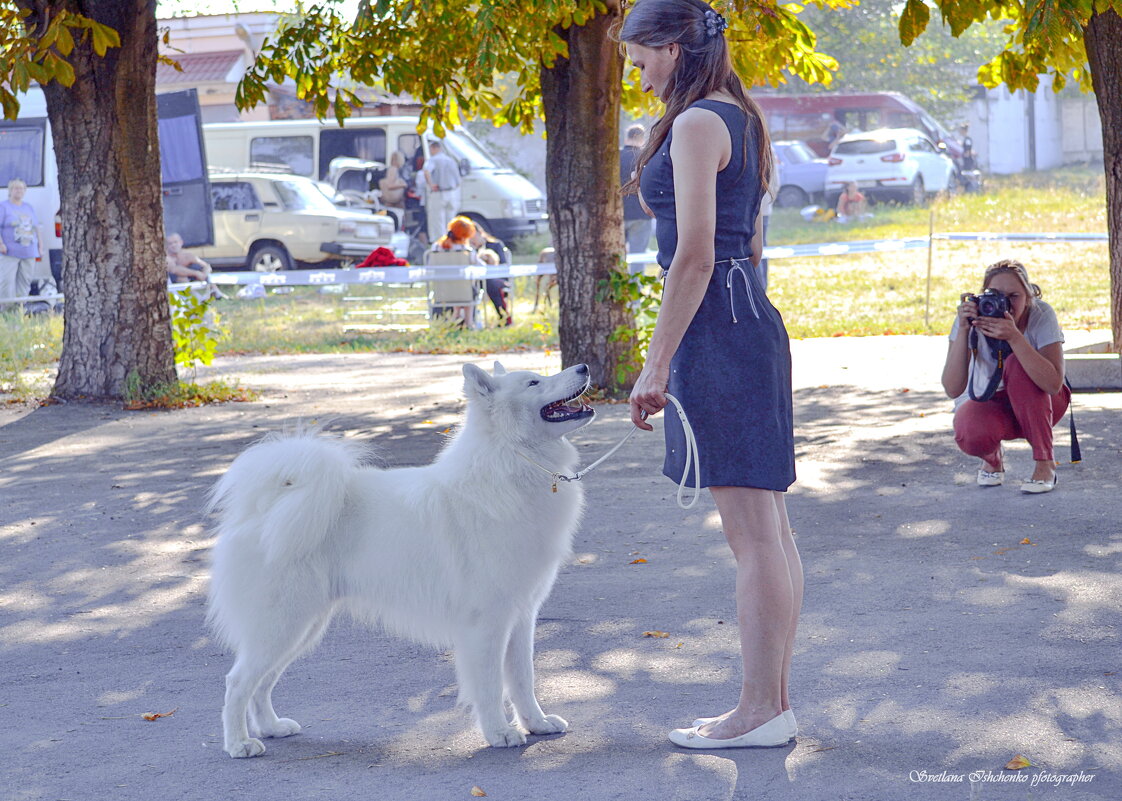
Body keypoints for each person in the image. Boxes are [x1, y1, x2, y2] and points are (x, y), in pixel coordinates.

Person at [617, 0, 801, 749]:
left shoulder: (697, 123)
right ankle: (771, 705)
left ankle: (760, 710)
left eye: (640, 61)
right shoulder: (741, 115)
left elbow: (694, 255)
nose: (637, 77)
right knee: (768, 530)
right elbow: (748, 244)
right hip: (744, 315)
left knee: (754, 535)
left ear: (671, 47)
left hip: (720, 327)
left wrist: (655, 364)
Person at [941, 259, 1068, 494]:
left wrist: (1015, 338)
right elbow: (952, 388)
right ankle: (992, 458)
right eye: (995, 295)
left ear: (1028, 296)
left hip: (1042, 403)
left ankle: (1045, 463)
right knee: (968, 429)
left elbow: (1053, 384)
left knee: (1016, 363)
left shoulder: (1040, 313)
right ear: (982, 296)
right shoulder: (971, 318)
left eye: (1013, 296)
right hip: (992, 405)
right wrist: (964, 330)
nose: (1004, 303)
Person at [0, 178, 46, 308]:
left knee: (25, 282)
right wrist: (1, 244)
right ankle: (6, 311)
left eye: (21, 188)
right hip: (9, 252)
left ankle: (20, 309)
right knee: (7, 282)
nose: (19, 191)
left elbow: (36, 228)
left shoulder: (28, 207)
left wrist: (40, 247)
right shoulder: (3, 207)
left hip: (29, 252)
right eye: (16, 188)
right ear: (10, 190)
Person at [468, 221, 513, 326]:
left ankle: (504, 317)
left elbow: (503, 266)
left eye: (472, 235)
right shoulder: (468, 250)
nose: (470, 239)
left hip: (496, 278)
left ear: (479, 233)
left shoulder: (495, 245)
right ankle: (468, 319)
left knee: (490, 283)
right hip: (476, 280)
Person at [620, 124, 654, 254]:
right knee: (638, 256)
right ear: (642, 139)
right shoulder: (647, 158)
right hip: (641, 213)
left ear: (626, 138)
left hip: (619, 213)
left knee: (617, 256)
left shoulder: (614, 157)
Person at [423, 140, 462, 246]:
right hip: (452, 193)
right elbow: (458, 180)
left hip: (439, 193)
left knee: (437, 221)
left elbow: (426, 171)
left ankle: (439, 244)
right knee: (450, 221)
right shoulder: (451, 160)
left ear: (434, 148)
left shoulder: (433, 160)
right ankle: (452, 243)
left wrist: (431, 184)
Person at [165, 232, 225, 299]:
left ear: (181, 242)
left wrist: (205, 274)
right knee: (182, 278)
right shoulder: (166, 258)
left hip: (190, 277)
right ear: (166, 246)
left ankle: (216, 292)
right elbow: (174, 270)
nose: (173, 245)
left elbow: (207, 266)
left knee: (206, 274)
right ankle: (197, 298)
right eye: (170, 243)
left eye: (175, 242)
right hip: (173, 281)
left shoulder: (187, 255)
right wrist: (196, 273)